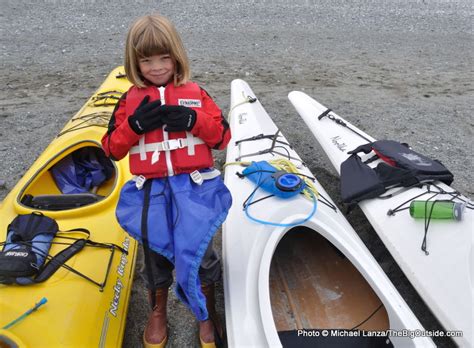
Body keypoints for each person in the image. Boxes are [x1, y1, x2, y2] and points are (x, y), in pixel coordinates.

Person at [101, 14, 232, 348]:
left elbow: (223, 138)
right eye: (146, 60)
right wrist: (135, 126)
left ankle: (206, 312)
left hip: (195, 188)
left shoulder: (196, 93)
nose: (157, 67)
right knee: (154, 254)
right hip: (152, 193)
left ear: (177, 56)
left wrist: (193, 119)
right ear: (135, 62)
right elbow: (111, 150)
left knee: (202, 251)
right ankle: (158, 310)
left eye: (164, 58)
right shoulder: (129, 100)